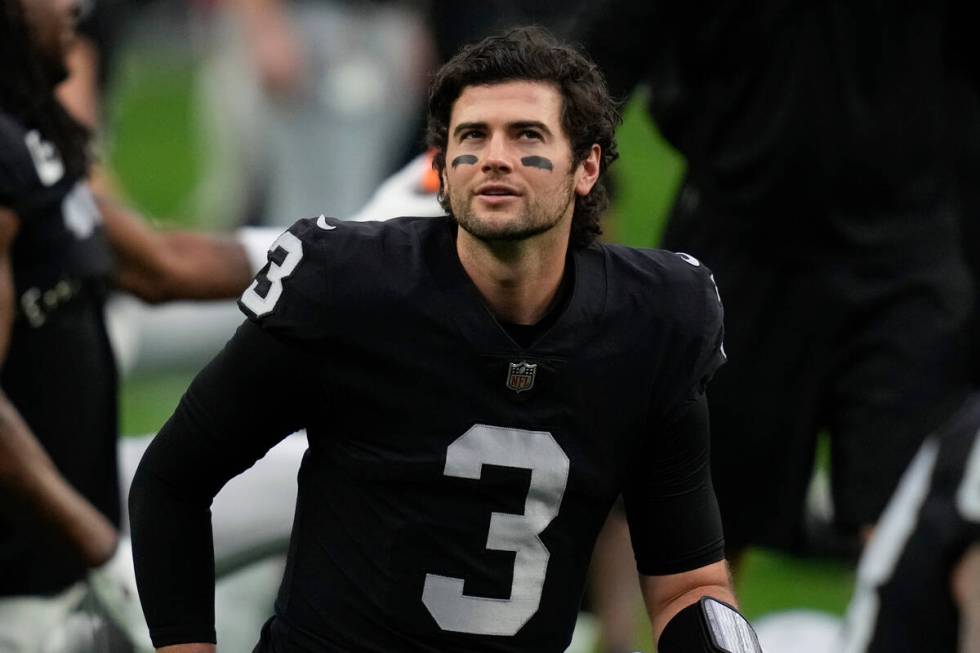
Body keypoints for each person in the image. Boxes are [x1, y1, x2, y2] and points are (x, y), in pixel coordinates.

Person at [129, 26, 763, 653]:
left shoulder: (653, 321)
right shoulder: (349, 288)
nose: (494, 155)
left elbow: (686, 585)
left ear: (587, 167)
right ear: (440, 165)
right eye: (472, 136)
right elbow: (173, 480)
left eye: (526, 135)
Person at [575, 1, 976, 564]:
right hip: (739, 235)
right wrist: (555, 149)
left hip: (906, 249)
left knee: (911, 524)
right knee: (701, 529)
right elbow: (609, 46)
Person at [0, 0, 253, 648]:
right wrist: (101, 546)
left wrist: (349, 246)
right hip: (25, 591)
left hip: (67, 557)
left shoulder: (30, 135)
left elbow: (162, 265)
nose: (76, 7)